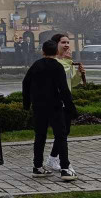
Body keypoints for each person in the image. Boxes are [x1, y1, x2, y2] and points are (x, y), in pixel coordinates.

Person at [23, 40, 78, 181]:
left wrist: (26, 104)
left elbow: (25, 83)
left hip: (38, 107)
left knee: (40, 136)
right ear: (55, 52)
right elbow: (64, 89)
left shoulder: (36, 65)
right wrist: (71, 108)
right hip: (55, 106)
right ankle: (65, 169)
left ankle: (37, 167)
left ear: (42, 52)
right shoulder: (57, 67)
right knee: (61, 136)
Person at [47, 33, 84, 173]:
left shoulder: (68, 61)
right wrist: (69, 63)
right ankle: (64, 164)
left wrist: (79, 74)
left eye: (68, 42)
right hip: (55, 102)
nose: (67, 45)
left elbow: (72, 82)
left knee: (65, 131)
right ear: (56, 45)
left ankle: (52, 158)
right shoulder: (52, 61)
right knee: (61, 133)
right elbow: (60, 72)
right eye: (63, 42)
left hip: (66, 101)